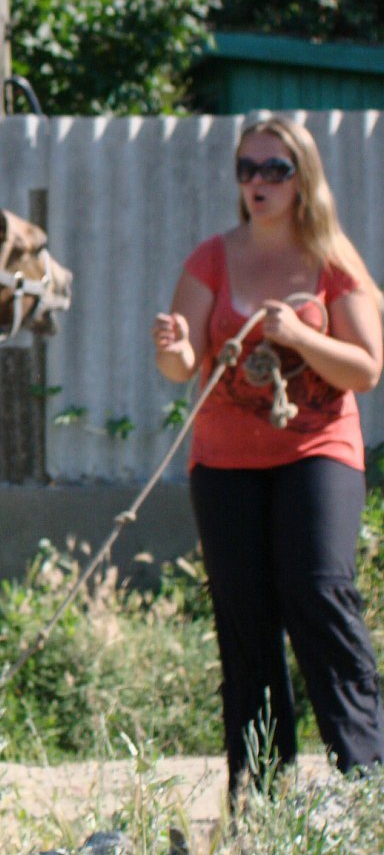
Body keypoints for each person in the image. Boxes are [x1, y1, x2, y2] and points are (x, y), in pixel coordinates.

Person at [152, 115, 384, 798]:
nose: (257, 182)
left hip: (317, 449)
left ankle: (365, 776)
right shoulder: (211, 258)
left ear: (301, 177)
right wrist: (173, 350)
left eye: (273, 169)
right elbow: (180, 365)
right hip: (224, 461)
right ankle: (258, 789)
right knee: (244, 614)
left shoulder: (331, 260)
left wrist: (299, 335)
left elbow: (366, 369)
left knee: (317, 590)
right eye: (247, 169)